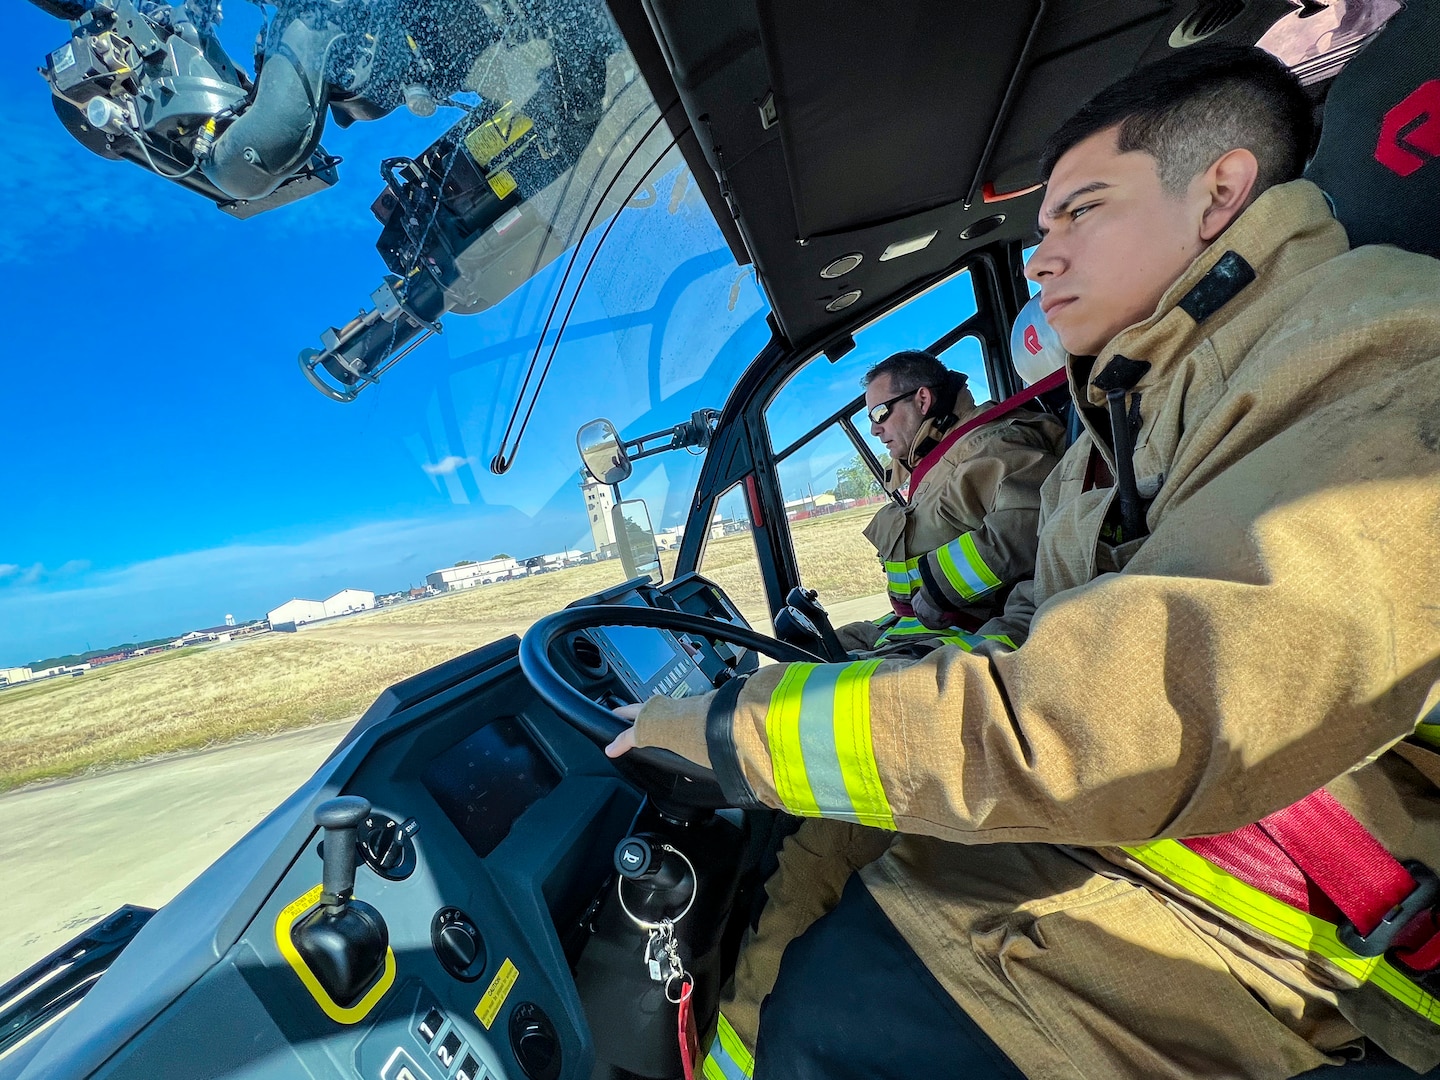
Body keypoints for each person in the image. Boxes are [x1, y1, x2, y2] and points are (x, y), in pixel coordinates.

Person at [613, 42, 1440, 1079]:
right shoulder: (1119, 427)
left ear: (1220, 192)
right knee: (819, 873)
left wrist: (735, 732)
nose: (1041, 259)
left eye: (1080, 212)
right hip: (1168, 844)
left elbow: (1116, 715)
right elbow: (1037, 623)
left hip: (1291, 916)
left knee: (834, 1013)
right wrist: (839, 687)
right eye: (1038, 229)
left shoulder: (1387, 351)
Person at [833, 350, 1065, 657]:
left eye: (880, 414)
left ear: (922, 400)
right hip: (928, 623)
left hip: (981, 627)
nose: (875, 429)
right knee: (815, 647)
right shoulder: (941, 458)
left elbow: (1028, 528)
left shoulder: (993, 443)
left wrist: (936, 592)